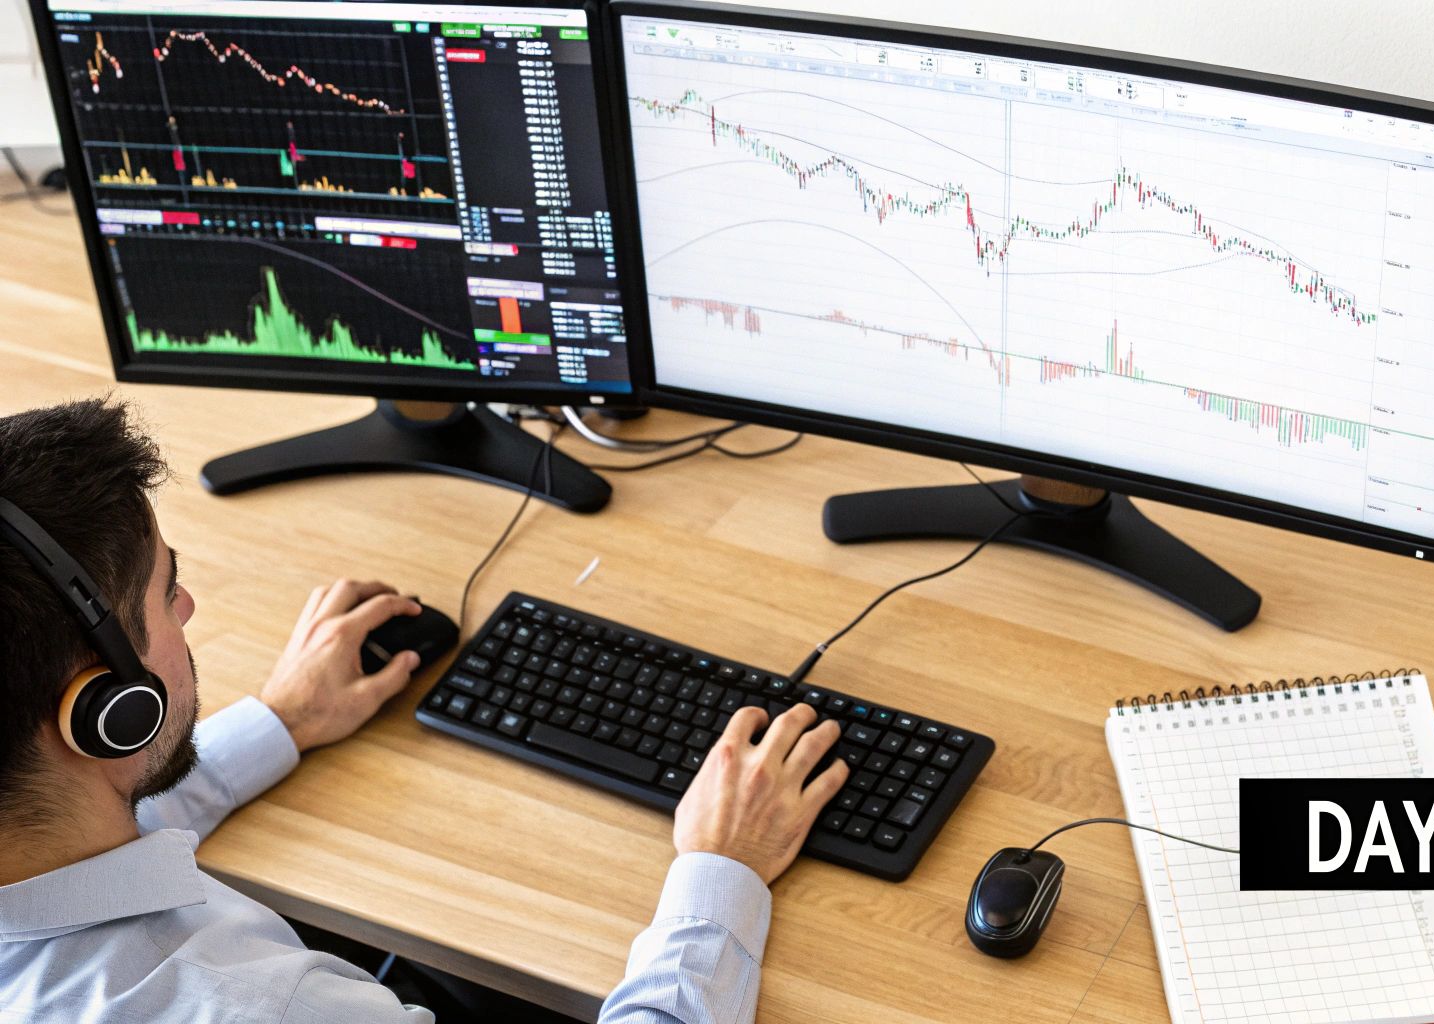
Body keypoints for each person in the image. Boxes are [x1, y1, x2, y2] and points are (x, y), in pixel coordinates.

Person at [0, 397, 849, 1023]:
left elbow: (73, 838)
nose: (188, 610)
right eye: (167, 590)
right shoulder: (259, 1007)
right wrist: (720, 869)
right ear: (111, 711)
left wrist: (284, 718)